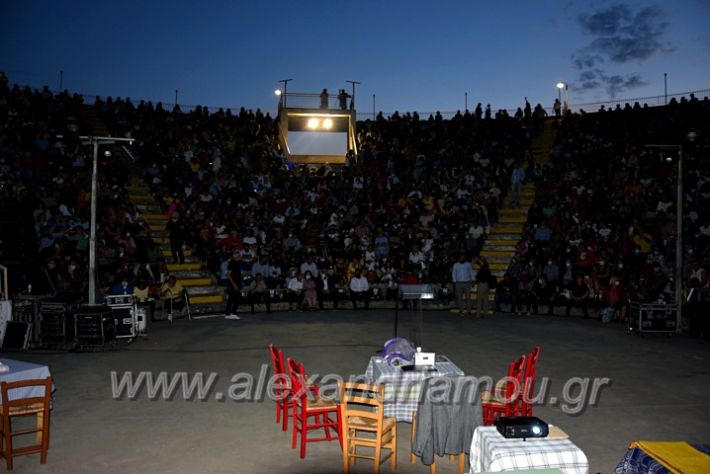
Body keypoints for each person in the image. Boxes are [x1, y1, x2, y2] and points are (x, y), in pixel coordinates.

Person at [225, 252, 243, 320]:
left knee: (231, 299)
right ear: (235, 257)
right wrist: (234, 285)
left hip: (236, 283)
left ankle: (228, 314)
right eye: (238, 256)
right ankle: (233, 313)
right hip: (233, 284)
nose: (240, 257)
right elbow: (228, 275)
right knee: (237, 297)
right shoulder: (232, 263)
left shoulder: (236, 263)